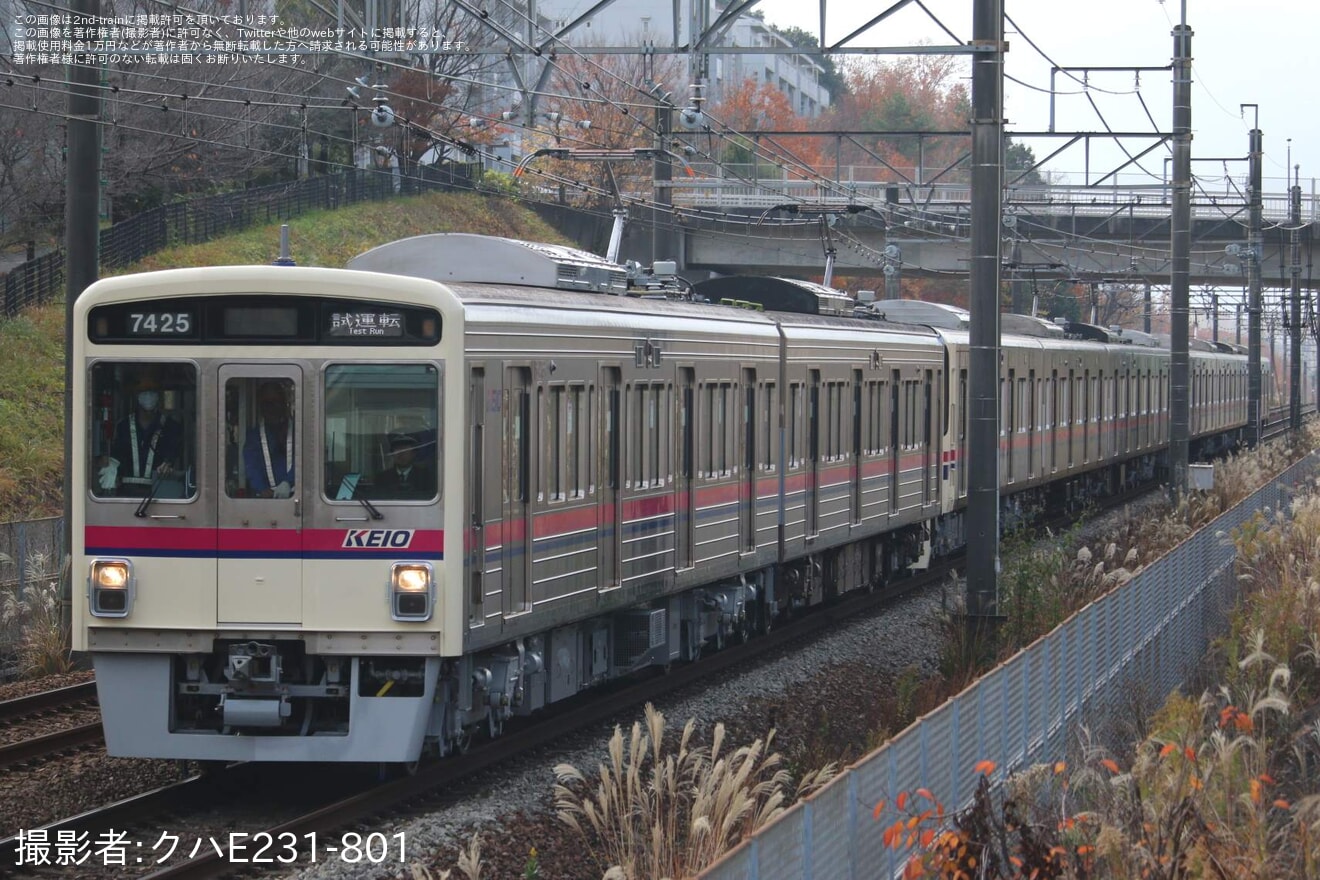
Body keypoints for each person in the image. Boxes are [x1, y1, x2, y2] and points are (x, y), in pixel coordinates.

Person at [99, 374, 182, 496]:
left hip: (159, 492)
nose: (148, 396)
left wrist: (168, 463)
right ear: (137, 396)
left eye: (152, 392)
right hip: (127, 493)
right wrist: (110, 466)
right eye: (144, 392)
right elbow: (117, 455)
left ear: (158, 396)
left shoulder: (171, 426)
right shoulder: (123, 425)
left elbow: (174, 453)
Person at [243, 381, 295, 498]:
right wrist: (261, 488)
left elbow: (306, 461)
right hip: (266, 499)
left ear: (283, 403)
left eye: (275, 402)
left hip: (297, 496)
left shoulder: (299, 432)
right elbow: (251, 466)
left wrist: (288, 482)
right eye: (267, 403)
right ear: (261, 406)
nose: (271, 408)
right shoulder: (254, 436)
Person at [372, 432, 435, 499]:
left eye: (405, 449)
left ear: (414, 453)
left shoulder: (425, 477)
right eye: (397, 449)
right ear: (392, 453)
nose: (401, 453)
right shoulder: (382, 479)